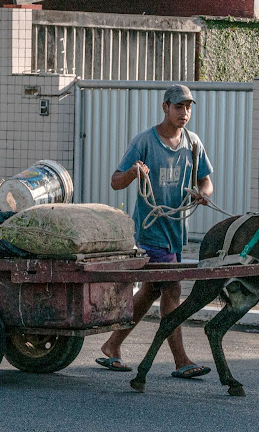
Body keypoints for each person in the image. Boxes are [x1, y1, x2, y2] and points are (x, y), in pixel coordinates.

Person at [96, 84, 214, 379]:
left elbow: (206, 181)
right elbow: (115, 181)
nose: (184, 113)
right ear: (165, 107)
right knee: (171, 290)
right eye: (178, 107)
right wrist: (134, 172)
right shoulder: (145, 142)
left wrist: (202, 193)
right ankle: (181, 361)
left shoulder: (193, 143)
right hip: (150, 233)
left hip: (176, 232)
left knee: (150, 291)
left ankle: (112, 345)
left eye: (188, 107)